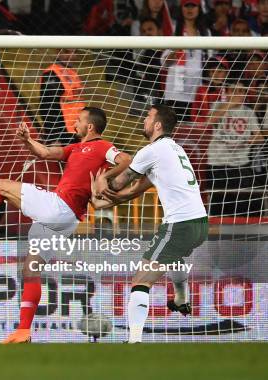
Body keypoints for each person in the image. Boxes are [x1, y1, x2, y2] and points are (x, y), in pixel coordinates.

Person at [0, 107, 132, 343]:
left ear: (90, 126)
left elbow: (127, 160)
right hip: (66, 220)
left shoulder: (101, 146)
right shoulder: (75, 148)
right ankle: (24, 331)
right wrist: (28, 140)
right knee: (31, 268)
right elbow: (47, 153)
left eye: (78, 121)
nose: (74, 124)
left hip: (59, 207)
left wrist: (105, 177)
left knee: (0, 186)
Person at [91, 104, 208, 344]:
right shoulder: (175, 149)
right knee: (173, 256)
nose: (144, 119)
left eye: (148, 116)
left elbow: (119, 183)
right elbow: (138, 188)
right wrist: (116, 198)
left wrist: (102, 182)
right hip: (199, 224)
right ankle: (180, 299)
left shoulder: (151, 151)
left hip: (180, 224)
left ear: (157, 125)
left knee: (140, 280)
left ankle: (134, 342)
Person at [205, 80, 264, 216]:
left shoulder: (248, 112)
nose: (239, 94)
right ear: (227, 92)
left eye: (242, 91)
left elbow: (259, 137)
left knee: (241, 203)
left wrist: (246, 141)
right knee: (218, 203)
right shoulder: (217, 105)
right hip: (217, 163)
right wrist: (230, 105)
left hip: (240, 163)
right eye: (235, 91)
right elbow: (208, 122)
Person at [161, 0, 211, 122]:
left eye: (193, 6)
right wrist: (175, 53)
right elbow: (163, 62)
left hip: (197, 92)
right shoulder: (173, 30)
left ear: (199, 9)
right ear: (181, 8)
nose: (190, 9)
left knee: (191, 133)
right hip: (175, 91)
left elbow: (209, 61)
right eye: (186, 6)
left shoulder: (206, 33)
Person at [40, 49, 85, 145]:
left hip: (76, 129)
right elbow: (47, 107)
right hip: (63, 132)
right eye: (67, 52)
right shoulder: (52, 74)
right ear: (58, 52)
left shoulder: (72, 73)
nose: (71, 56)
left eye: (75, 52)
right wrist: (54, 136)